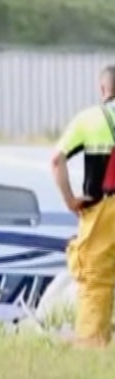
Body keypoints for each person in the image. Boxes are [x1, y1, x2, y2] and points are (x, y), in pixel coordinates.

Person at [50, 64, 115, 348]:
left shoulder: (90, 119)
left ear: (103, 88)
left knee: (95, 277)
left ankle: (91, 342)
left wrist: (70, 200)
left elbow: (56, 160)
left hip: (103, 210)